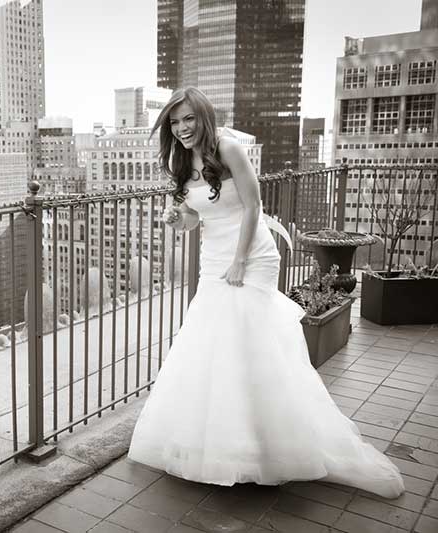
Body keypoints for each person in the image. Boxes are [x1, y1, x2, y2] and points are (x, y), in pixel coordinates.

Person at [127, 87, 404, 499]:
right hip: (213, 259)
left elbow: (253, 206)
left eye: (188, 119)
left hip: (251, 256)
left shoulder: (229, 148)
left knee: (249, 343)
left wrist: (239, 260)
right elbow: (194, 218)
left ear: (203, 117)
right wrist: (178, 216)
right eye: (174, 121)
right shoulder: (182, 160)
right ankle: (222, 442)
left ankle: (268, 444)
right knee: (211, 342)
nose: (181, 128)